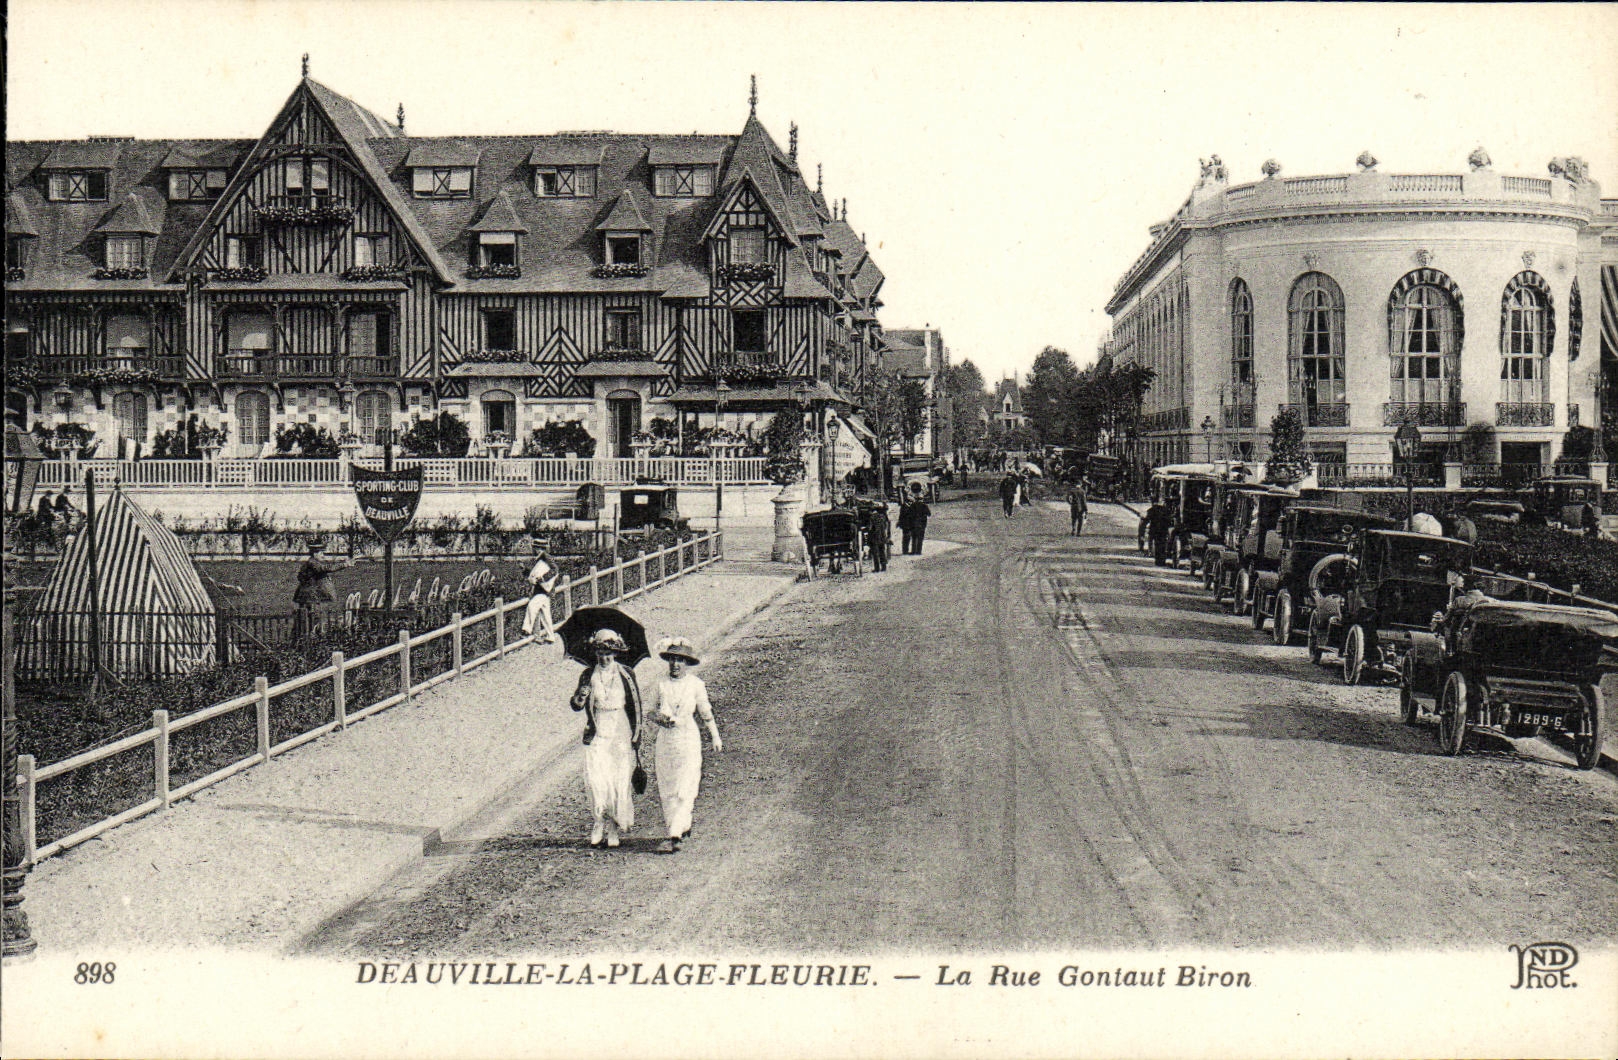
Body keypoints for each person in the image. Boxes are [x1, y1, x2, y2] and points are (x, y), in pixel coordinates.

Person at [648, 638, 722, 854]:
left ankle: (675, 834)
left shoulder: (696, 685)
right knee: (668, 785)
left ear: (687, 663)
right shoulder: (660, 684)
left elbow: (706, 713)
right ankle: (681, 824)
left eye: (680, 660)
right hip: (666, 740)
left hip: (687, 738)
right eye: (672, 660)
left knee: (685, 784)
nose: (675, 664)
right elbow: (649, 711)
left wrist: (715, 736)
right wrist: (660, 718)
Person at [569, 629, 642, 848]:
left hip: (620, 729)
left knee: (618, 779)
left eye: (608, 653)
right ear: (595, 653)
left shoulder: (626, 674)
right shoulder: (587, 675)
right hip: (598, 728)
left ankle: (612, 827)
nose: (604, 658)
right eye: (600, 653)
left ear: (616, 653)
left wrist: (637, 735)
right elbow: (576, 705)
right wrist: (581, 696)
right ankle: (598, 822)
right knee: (596, 779)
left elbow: (636, 706)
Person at [292, 538, 350, 641]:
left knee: (310, 617)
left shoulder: (313, 562)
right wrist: (344, 564)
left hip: (310, 595)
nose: (323, 555)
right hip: (309, 596)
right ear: (315, 554)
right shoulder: (312, 562)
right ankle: (306, 638)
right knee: (310, 617)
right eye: (321, 553)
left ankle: (306, 637)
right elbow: (324, 568)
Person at [520, 543, 559, 642]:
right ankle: (550, 636)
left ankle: (526, 630)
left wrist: (543, 579)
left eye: (536, 548)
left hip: (543, 590)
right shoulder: (540, 558)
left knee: (532, 606)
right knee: (545, 615)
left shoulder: (545, 557)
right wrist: (525, 570)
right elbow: (535, 574)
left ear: (539, 548)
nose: (534, 550)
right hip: (543, 590)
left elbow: (555, 570)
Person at [898, 482, 931, 555]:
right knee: (919, 538)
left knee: (913, 537)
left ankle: (910, 551)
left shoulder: (911, 506)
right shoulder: (924, 506)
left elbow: (909, 514)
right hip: (921, 524)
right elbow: (929, 514)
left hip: (912, 524)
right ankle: (918, 551)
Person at [866, 501, 891, 572]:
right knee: (882, 551)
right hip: (882, 536)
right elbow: (885, 526)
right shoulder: (882, 517)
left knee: (875, 553)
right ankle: (884, 567)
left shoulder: (872, 517)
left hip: (874, 537)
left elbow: (869, 528)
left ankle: (877, 568)